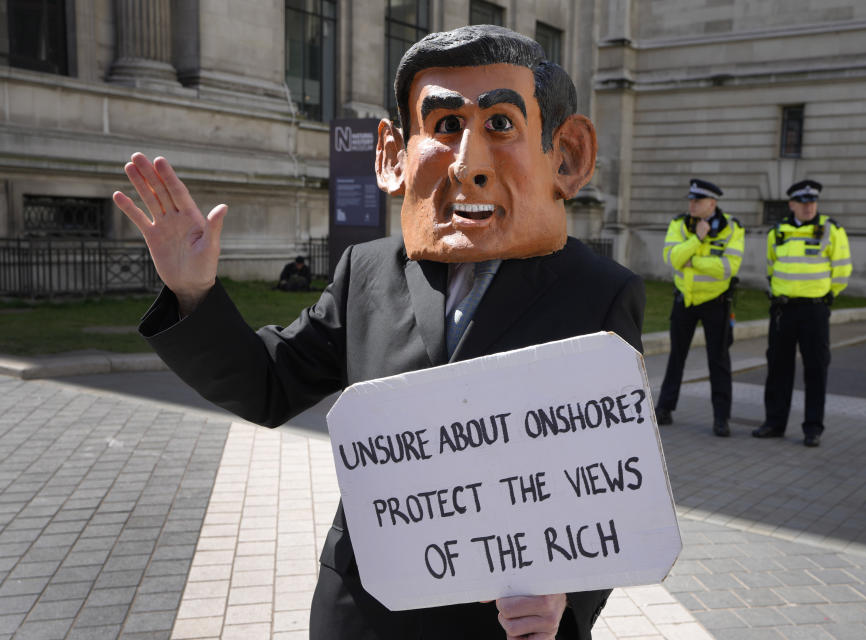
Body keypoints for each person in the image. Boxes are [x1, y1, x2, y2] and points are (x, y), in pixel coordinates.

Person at [112, 25, 644, 640]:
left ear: (566, 155)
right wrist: (193, 292)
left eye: (500, 124)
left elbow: (615, 484)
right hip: (362, 612)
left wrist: (568, 600)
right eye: (444, 126)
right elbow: (269, 385)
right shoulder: (367, 271)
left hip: (502, 624)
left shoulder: (600, 294)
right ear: (394, 155)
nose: (469, 165)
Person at [752, 179, 852, 448]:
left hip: (814, 310)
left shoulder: (831, 230)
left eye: (813, 202)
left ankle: (812, 428)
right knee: (778, 367)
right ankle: (774, 423)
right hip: (783, 310)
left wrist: (827, 296)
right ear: (792, 204)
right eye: (803, 203)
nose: (809, 207)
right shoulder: (778, 231)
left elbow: (842, 269)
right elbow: (771, 266)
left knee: (816, 368)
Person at [654, 179, 744, 437]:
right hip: (685, 300)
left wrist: (692, 262)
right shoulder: (679, 224)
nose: (692, 204)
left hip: (716, 303)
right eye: (691, 200)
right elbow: (672, 259)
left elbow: (728, 268)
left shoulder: (732, 228)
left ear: (712, 203)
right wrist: (697, 239)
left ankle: (721, 418)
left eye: (698, 201)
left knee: (719, 361)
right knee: (676, 357)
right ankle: (665, 408)